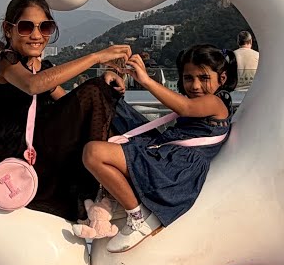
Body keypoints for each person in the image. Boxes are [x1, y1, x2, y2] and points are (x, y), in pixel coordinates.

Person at [0, 0, 132, 221]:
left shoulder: (43, 68)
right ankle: (105, 191)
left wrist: (106, 81)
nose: (37, 35)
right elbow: (33, 85)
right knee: (94, 90)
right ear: (8, 29)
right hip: (17, 159)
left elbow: (70, 104)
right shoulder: (5, 63)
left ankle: (113, 185)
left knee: (98, 94)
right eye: (27, 27)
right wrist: (96, 58)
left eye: (45, 27)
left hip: (42, 154)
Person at [82, 45, 235, 253]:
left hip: (174, 168)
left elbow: (185, 108)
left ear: (222, 79)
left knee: (93, 153)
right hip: (168, 155)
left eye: (204, 78)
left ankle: (137, 216)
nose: (195, 85)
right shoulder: (205, 101)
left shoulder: (215, 103)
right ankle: (116, 199)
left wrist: (145, 80)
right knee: (109, 108)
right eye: (188, 78)